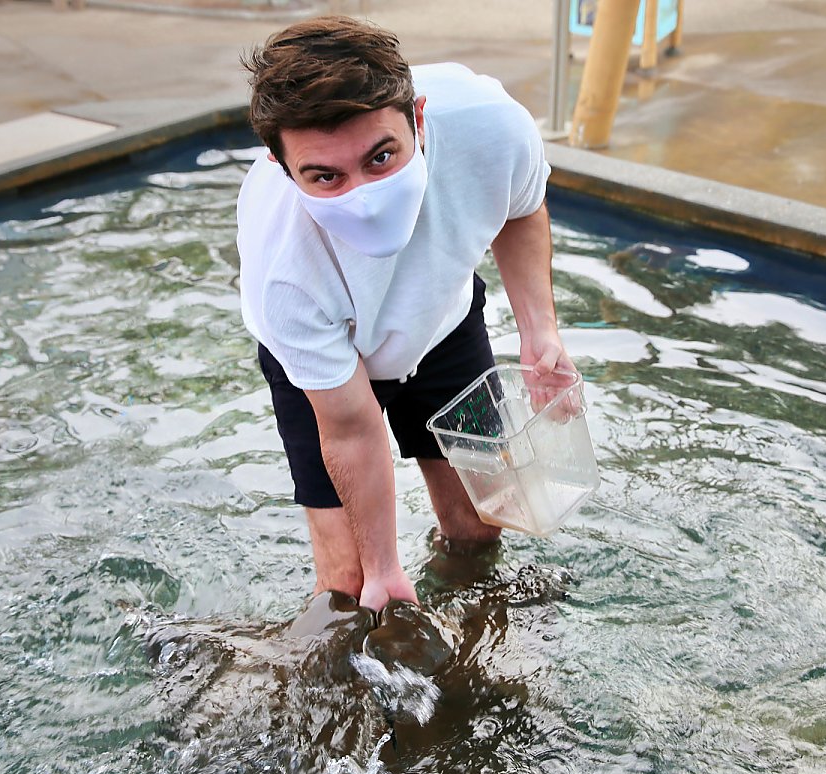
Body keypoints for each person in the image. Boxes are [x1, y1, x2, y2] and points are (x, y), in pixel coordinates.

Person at [236, 16, 575, 611]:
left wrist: (539, 330)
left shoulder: (490, 127)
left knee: (479, 530)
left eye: (381, 157)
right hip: (330, 356)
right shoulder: (282, 274)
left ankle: (470, 644)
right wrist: (384, 567)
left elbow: (523, 206)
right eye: (325, 176)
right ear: (277, 163)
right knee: (347, 583)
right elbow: (350, 428)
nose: (362, 195)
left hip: (443, 323)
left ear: (417, 116)